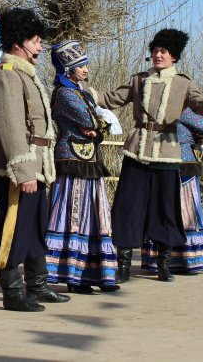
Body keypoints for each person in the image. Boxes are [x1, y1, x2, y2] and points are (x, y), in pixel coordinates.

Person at [91, 28, 203, 283]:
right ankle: (123, 264)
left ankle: (164, 264)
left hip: (168, 154)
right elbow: (112, 98)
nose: (158, 55)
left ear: (174, 57)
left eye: (163, 52)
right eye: (155, 51)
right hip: (136, 151)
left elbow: (202, 106)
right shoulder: (138, 80)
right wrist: (84, 90)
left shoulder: (184, 83)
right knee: (128, 207)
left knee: (165, 210)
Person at [0, 8, 68, 312]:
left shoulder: (25, 75)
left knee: (34, 227)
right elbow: (11, 127)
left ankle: (38, 285)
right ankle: (13, 292)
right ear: (19, 43)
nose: (40, 47)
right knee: (11, 230)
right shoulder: (7, 76)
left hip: (38, 164)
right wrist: (24, 171)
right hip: (18, 169)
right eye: (35, 41)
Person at [44, 40, 122, 294]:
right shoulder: (65, 93)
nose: (86, 69)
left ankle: (90, 274)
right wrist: (97, 125)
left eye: (86, 64)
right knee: (73, 214)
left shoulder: (80, 92)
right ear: (68, 69)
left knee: (94, 214)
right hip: (72, 159)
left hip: (89, 159)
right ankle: (71, 274)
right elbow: (92, 120)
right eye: (80, 66)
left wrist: (97, 128)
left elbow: (98, 127)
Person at [141, 107, 203, 275]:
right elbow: (202, 125)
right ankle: (184, 258)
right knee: (182, 211)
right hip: (181, 160)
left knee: (165, 209)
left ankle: (163, 258)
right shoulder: (181, 107)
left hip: (165, 158)